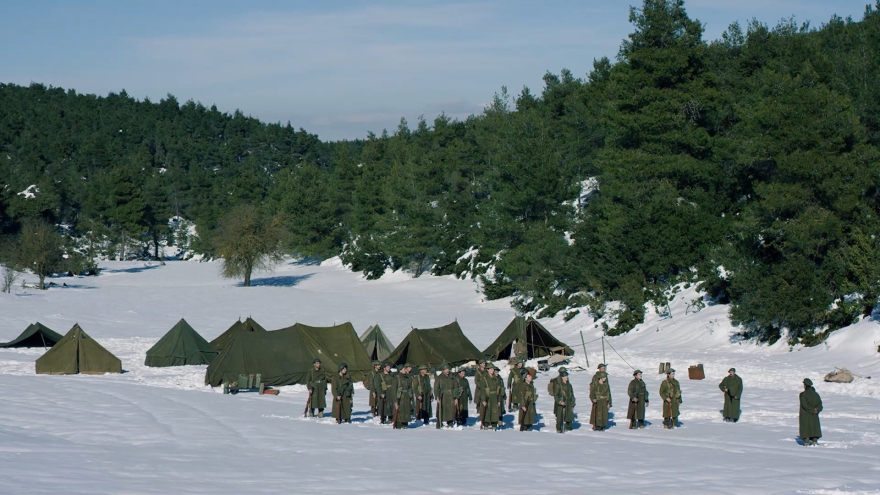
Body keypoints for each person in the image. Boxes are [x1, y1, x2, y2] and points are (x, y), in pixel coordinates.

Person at [480, 364, 506, 430]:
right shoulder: (484, 378)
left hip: (495, 397)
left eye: (493, 369)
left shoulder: (496, 379)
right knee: (487, 412)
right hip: (487, 397)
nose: (492, 370)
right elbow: (482, 390)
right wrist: (483, 400)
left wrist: (499, 400)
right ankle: (486, 425)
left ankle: (494, 425)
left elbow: (498, 390)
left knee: (494, 412)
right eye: (491, 369)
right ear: (487, 370)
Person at [799, 378, 823, 446]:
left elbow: (805, 404)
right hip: (815, 415)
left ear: (805, 385)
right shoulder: (816, 394)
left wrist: (812, 410)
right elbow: (820, 404)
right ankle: (814, 440)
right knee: (814, 427)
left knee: (806, 428)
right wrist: (816, 410)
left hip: (806, 415)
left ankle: (806, 441)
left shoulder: (803, 395)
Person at [433, 363, 457, 428]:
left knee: (450, 410)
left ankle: (450, 423)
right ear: (443, 370)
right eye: (446, 369)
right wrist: (437, 396)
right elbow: (436, 388)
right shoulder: (439, 378)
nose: (447, 370)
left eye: (448, 369)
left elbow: (455, 388)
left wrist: (456, 397)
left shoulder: (452, 377)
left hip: (450, 396)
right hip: (442, 396)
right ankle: (439, 423)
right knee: (441, 409)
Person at [589, 363, 611, 429]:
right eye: (602, 368)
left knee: (604, 413)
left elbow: (608, 391)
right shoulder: (595, 377)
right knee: (597, 412)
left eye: (604, 368)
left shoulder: (605, 377)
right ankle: (596, 424)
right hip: (598, 397)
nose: (603, 369)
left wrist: (609, 402)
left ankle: (602, 425)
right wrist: (593, 397)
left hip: (604, 398)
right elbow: (593, 388)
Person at [554, 368, 575, 433]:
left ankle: (569, 428)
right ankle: (559, 429)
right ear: (562, 377)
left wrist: (573, 403)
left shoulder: (569, 385)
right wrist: (560, 401)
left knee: (569, 416)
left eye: (567, 376)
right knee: (560, 417)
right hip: (561, 402)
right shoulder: (558, 385)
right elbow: (556, 395)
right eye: (565, 376)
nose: (567, 377)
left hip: (568, 402)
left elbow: (572, 395)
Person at [394, 363, 415, 429]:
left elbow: (410, 388)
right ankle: (398, 424)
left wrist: (411, 397)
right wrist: (395, 400)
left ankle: (405, 424)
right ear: (400, 370)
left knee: (407, 410)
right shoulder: (397, 377)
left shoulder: (407, 377)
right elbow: (394, 390)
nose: (405, 370)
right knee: (400, 411)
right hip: (400, 396)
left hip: (407, 396)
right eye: (404, 369)